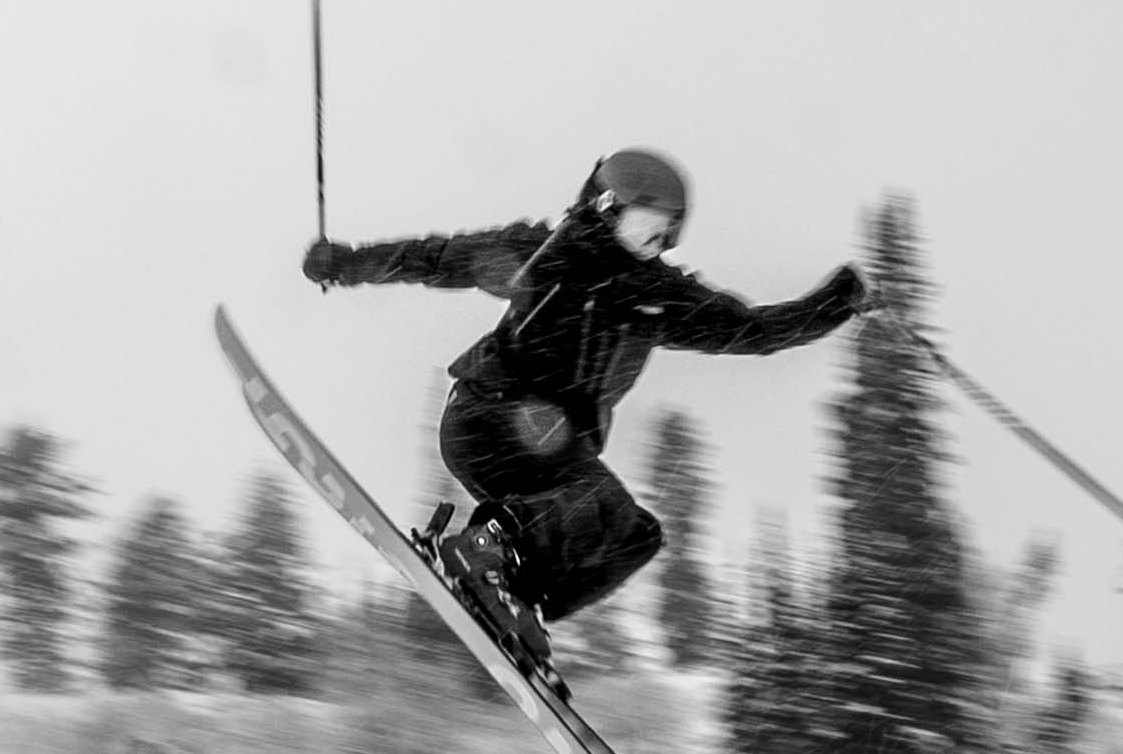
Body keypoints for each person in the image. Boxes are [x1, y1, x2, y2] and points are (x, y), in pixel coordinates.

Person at [302, 148, 869, 666]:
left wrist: (837, 302)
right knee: (591, 497)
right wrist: (345, 264)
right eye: (648, 225)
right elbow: (437, 258)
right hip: (487, 417)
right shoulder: (549, 252)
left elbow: (752, 330)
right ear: (607, 205)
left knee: (632, 535)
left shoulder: (658, 294)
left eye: (668, 233)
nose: (657, 244)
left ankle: (511, 599)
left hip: (549, 455)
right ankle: (484, 548)